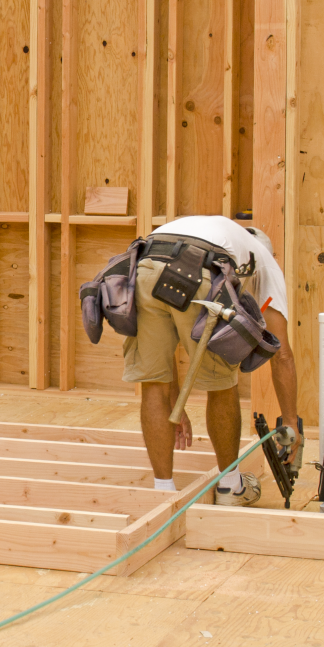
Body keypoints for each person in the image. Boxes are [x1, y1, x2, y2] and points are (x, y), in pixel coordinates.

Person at [122, 215, 301, 506]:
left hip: (144, 264)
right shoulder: (264, 260)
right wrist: (292, 423)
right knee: (222, 382)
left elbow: (167, 353)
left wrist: (175, 402)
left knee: (154, 382)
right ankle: (231, 487)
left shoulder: (217, 230)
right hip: (201, 266)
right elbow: (281, 354)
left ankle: (162, 491)